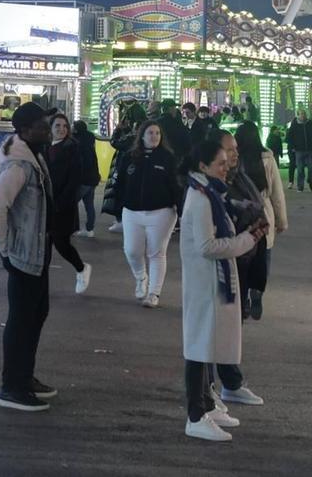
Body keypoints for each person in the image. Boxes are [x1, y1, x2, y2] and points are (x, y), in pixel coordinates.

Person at [180, 128, 267, 442]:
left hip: (212, 281)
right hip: (205, 282)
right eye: (220, 162)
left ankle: (206, 403)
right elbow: (207, 246)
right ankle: (196, 414)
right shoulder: (201, 198)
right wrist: (246, 240)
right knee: (198, 347)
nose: (226, 166)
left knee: (207, 343)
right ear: (203, 166)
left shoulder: (210, 193)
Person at [0, 102, 57, 412]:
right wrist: (3, 248)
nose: (47, 131)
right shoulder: (18, 165)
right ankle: (12, 386)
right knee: (21, 320)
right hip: (23, 254)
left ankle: (23, 377)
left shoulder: (33, 157)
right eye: (41, 126)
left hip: (36, 252)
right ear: (25, 131)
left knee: (35, 315)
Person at [114, 119, 181, 306]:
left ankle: (154, 293)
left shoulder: (168, 158)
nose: (154, 137)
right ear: (141, 135)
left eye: (157, 133)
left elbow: (177, 186)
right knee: (132, 250)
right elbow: (120, 184)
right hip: (132, 212)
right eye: (150, 133)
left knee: (156, 252)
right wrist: (118, 207)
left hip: (162, 213)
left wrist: (181, 210)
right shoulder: (129, 157)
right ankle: (140, 276)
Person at [232, 119, 287, 320]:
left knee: (241, 258)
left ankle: (243, 298)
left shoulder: (234, 159)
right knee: (263, 256)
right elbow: (277, 194)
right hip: (264, 213)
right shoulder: (267, 159)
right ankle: (257, 294)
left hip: (239, 214)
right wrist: (282, 220)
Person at [45, 111, 92, 294]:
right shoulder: (43, 147)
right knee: (44, 244)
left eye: (65, 126)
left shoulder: (73, 148)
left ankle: (81, 268)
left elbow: (74, 179)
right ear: (50, 128)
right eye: (57, 126)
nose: (62, 129)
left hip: (62, 205)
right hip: (45, 203)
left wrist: (62, 200)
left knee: (61, 243)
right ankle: (41, 285)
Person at [71, 118, 103, 237]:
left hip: (84, 180)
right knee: (89, 205)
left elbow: (81, 164)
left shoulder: (78, 145)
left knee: (72, 203)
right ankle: (89, 229)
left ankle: (74, 228)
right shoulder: (89, 141)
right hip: (93, 179)